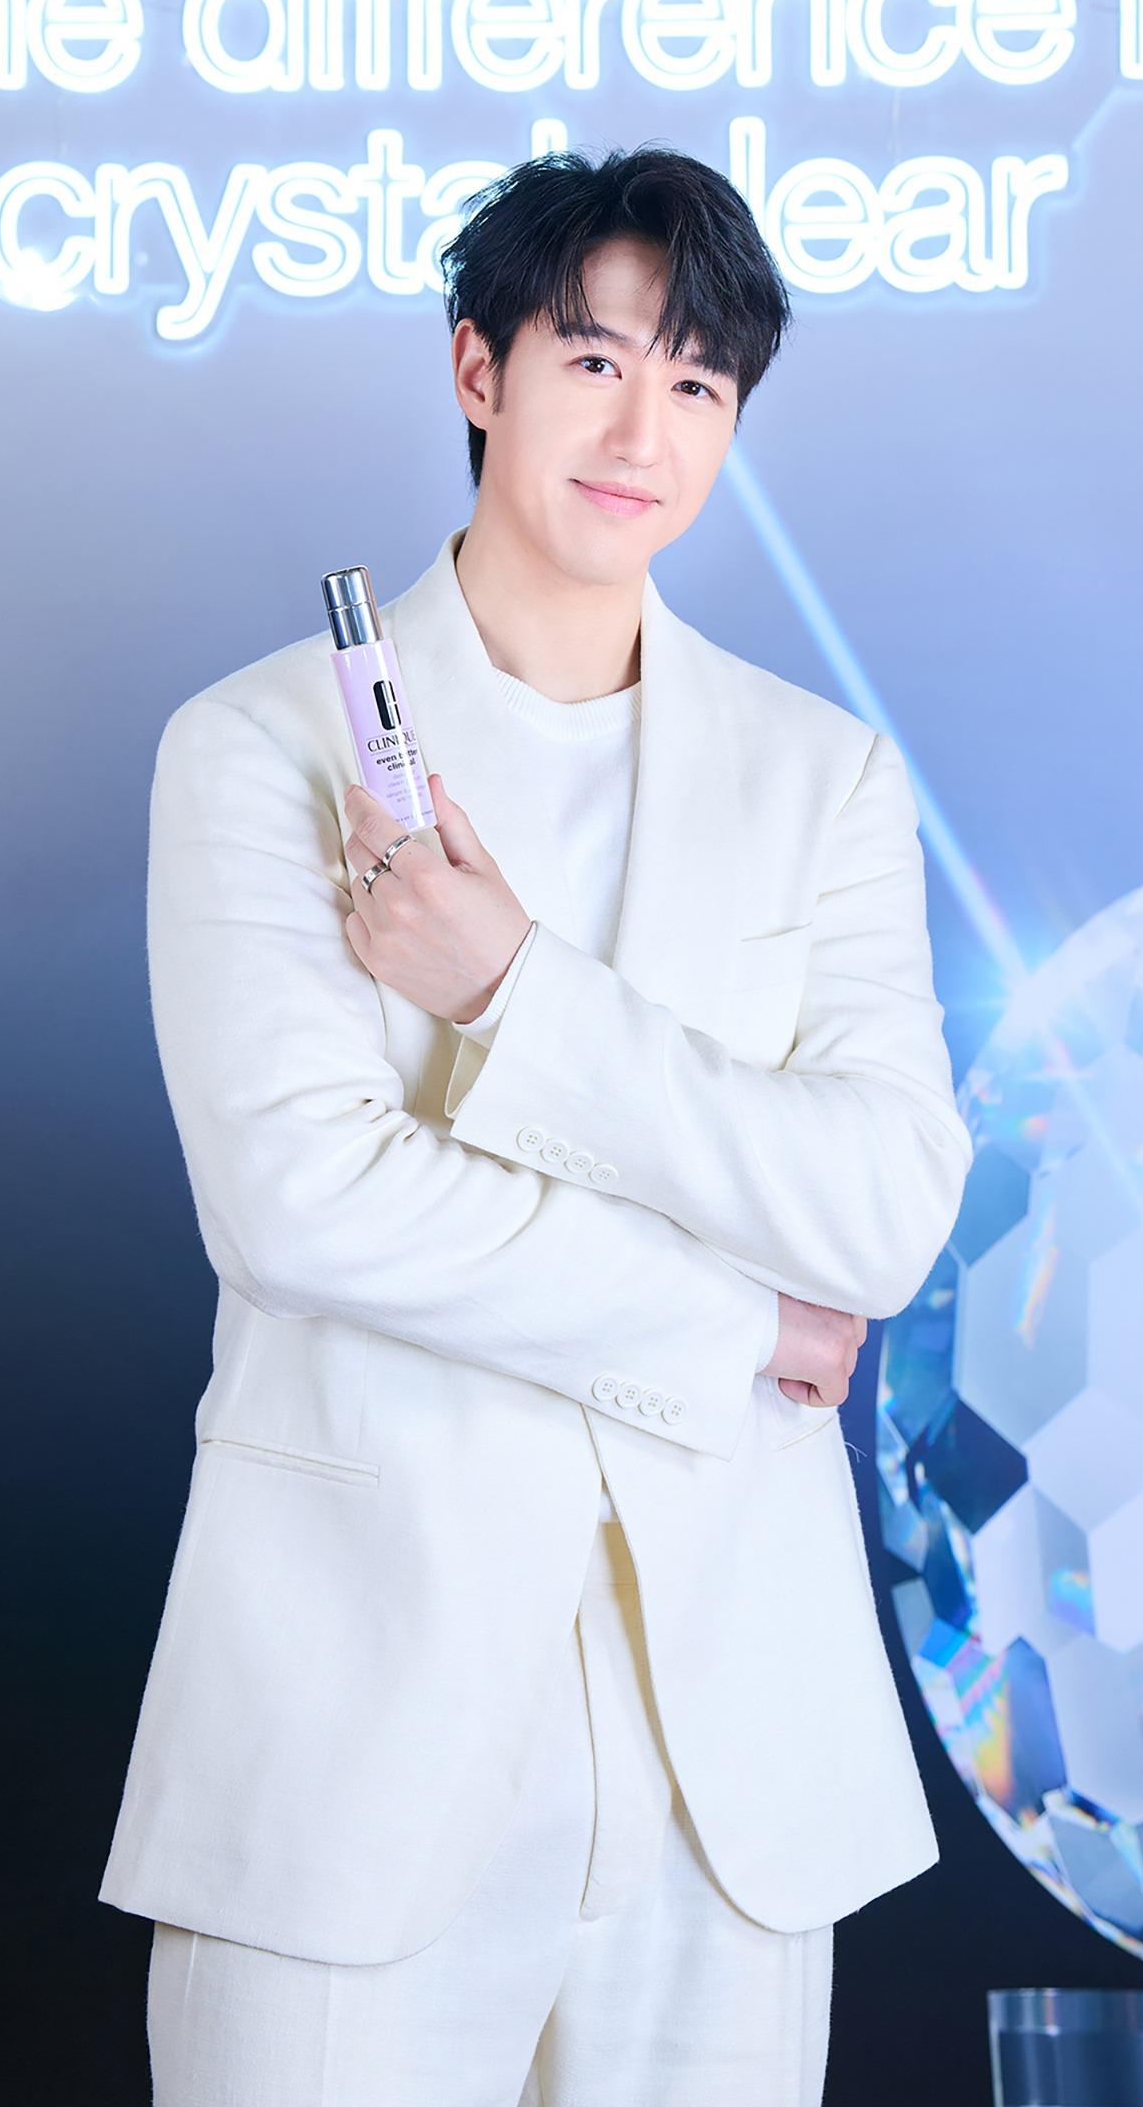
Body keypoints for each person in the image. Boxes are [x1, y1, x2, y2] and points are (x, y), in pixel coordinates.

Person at [99, 144, 973, 2103]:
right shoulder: (259, 745)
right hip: (351, 1735)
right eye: (594, 361)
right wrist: (738, 1322)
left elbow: (881, 1211)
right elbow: (308, 1203)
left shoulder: (822, 777)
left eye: (696, 385)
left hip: (730, 1769)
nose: (642, 433)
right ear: (476, 369)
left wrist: (511, 992)